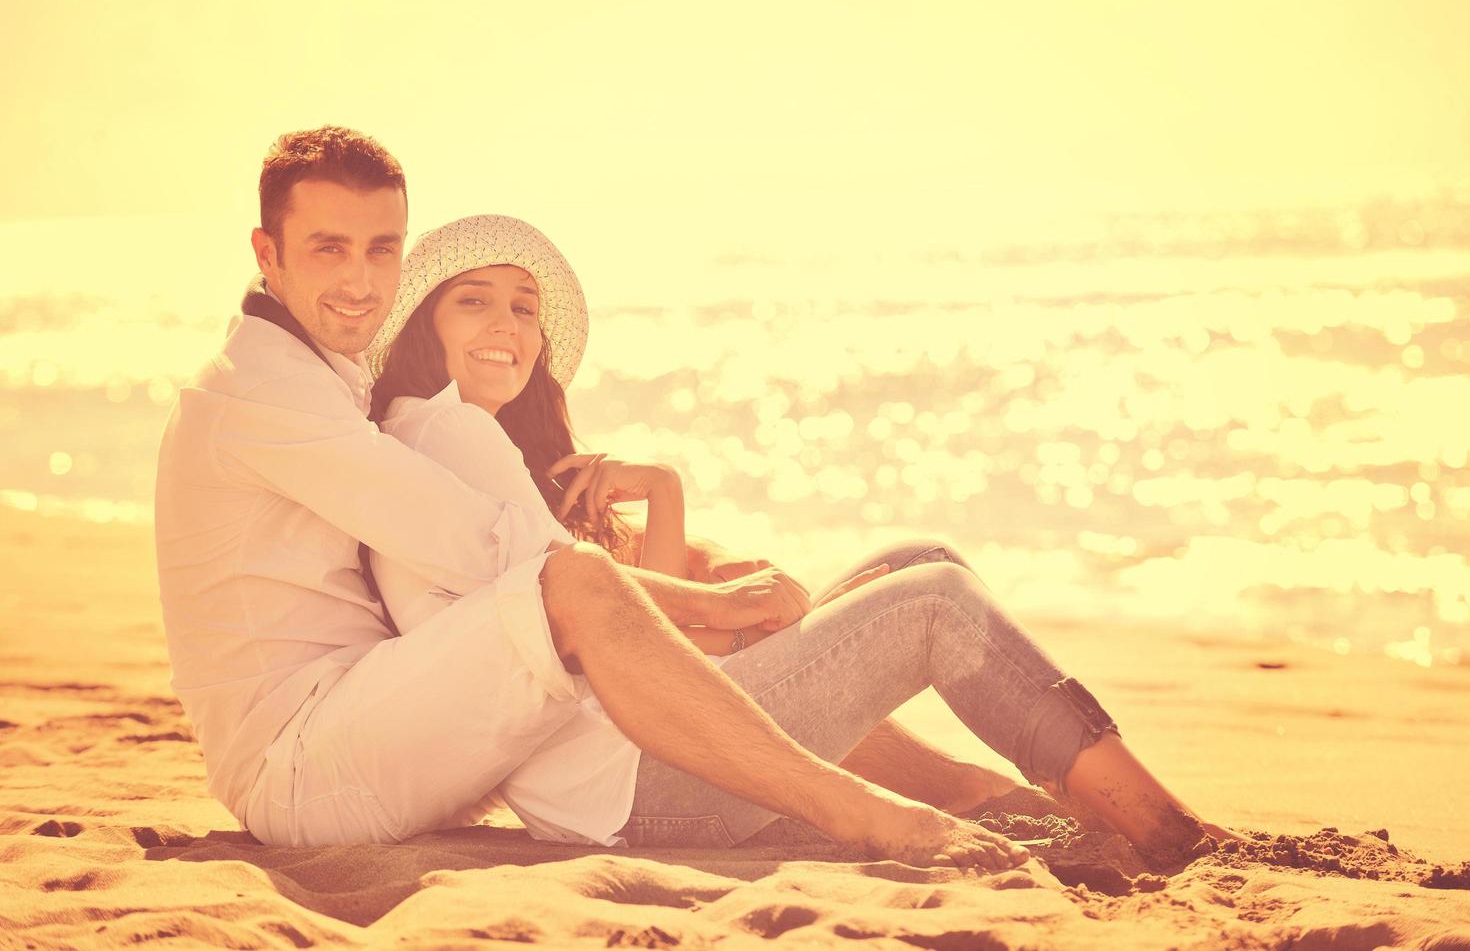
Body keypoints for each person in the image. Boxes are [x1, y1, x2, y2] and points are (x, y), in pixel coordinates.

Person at [156, 125, 1054, 870]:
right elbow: (482, 550)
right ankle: (855, 809)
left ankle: (983, 795)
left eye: (379, 248)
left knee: (878, 586)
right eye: (327, 249)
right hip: (303, 762)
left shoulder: (324, 379)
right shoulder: (265, 396)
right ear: (267, 253)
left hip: (371, 714)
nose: (358, 279)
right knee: (577, 586)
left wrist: (679, 537)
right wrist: (721, 606)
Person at [360, 212, 1229, 864]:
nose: (506, 324)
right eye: (473, 303)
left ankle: (1019, 800)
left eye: (522, 307)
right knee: (934, 602)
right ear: (423, 327)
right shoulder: (449, 432)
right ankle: (1160, 826)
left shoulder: (453, 444)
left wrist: (664, 493)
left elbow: (637, 644)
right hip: (642, 787)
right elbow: (637, 632)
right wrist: (737, 610)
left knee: (918, 562)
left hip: (638, 765)